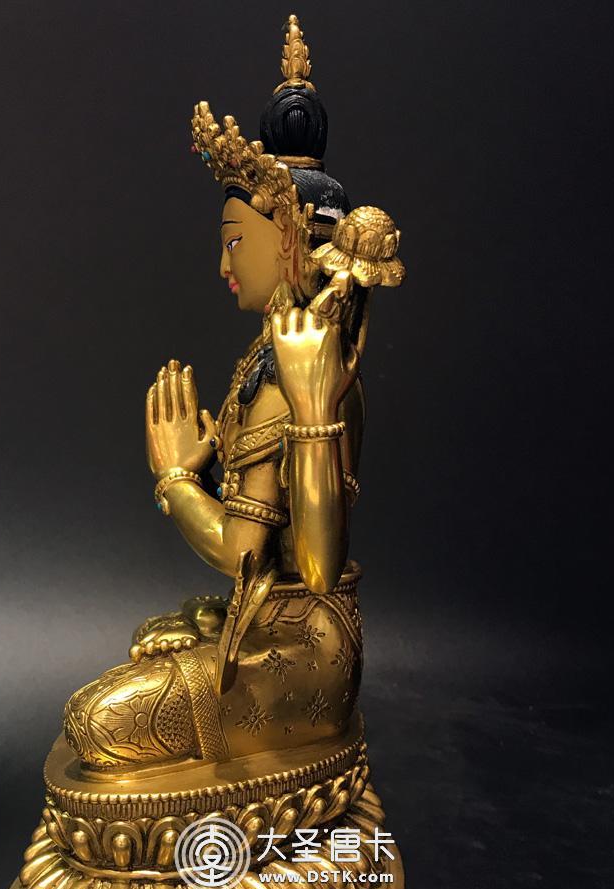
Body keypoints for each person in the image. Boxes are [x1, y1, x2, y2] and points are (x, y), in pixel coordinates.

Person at [63, 15, 404, 773]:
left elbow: (276, 559)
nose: (224, 263)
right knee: (156, 639)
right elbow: (265, 551)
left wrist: (176, 478)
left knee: (94, 722)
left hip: (308, 656)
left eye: (234, 241)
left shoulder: (312, 371)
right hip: (275, 620)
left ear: (288, 240)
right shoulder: (273, 355)